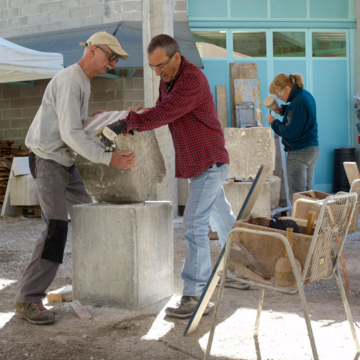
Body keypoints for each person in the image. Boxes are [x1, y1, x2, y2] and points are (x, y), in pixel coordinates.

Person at [100, 34, 238, 319]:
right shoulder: (169, 79)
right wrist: (130, 114)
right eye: (153, 67)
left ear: (176, 57)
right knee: (221, 218)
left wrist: (125, 123)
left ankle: (195, 294)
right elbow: (162, 111)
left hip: (209, 162)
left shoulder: (192, 80)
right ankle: (238, 268)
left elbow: (166, 112)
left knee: (194, 225)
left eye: (161, 65)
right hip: (200, 163)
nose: (158, 72)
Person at [14, 32, 136, 325]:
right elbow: (70, 134)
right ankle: (28, 299)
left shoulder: (82, 81)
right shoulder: (70, 79)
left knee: (90, 217)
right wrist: (109, 158)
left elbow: (74, 126)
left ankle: (98, 282)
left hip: (66, 162)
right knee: (56, 225)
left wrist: (102, 119)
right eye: (110, 57)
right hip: (49, 161)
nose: (113, 64)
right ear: (92, 50)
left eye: (116, 60)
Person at [265, 73, 320, 202]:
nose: (279, 97)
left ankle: (299, 222)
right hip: (311, 149)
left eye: (279, 94)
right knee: (307, 193)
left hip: (299, 152)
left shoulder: (298, 102)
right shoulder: (304, 95)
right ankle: (308, 221)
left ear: (288, 88)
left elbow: (290, 132)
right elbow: (299, 117)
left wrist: (274, 122)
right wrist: (283, 110)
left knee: (298, 196)